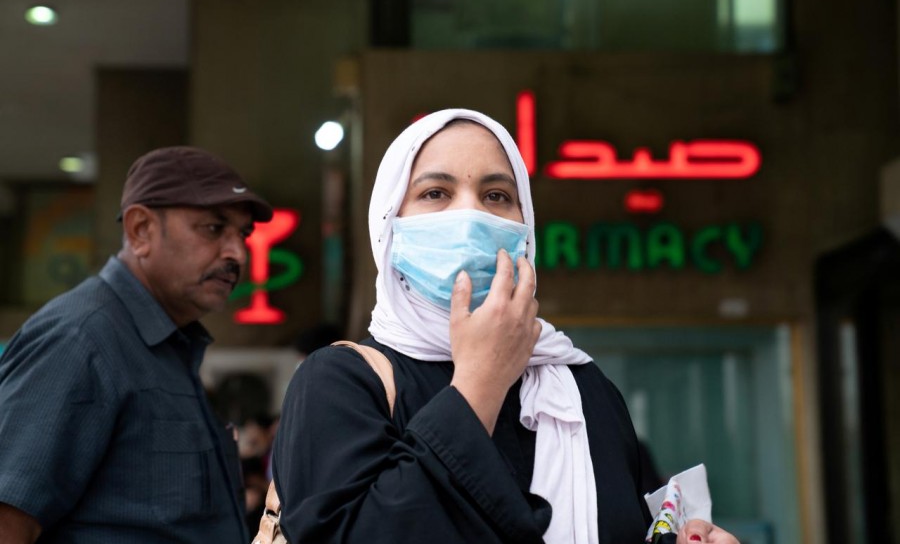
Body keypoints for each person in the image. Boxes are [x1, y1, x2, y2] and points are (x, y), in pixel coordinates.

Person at [271, 109, 738, 543]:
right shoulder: (339, 383)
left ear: (525, 226)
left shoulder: (582, 387)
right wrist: (480, 383)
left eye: (497, 196)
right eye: (435, 193)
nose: (470, 215)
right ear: (389, 225)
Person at [0, 146, 273, 543]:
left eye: (243, 234)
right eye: (214, 229)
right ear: (140, 230)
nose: (237, 253)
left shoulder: (168, 344)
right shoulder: (81, 339)